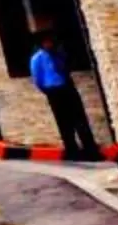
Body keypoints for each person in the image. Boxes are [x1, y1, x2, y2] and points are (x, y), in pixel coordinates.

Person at [31, 28, 98, 160]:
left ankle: (90, 150)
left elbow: (65, 67)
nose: (49, 44)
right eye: (46, 42)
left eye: (50, 41)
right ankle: (72, 150)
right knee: (64, 122)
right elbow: (37, 79)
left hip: (67, 86)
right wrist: (47, 90)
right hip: (54, 91)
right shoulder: (37, 59)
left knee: (79, 119)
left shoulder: (59, 53)